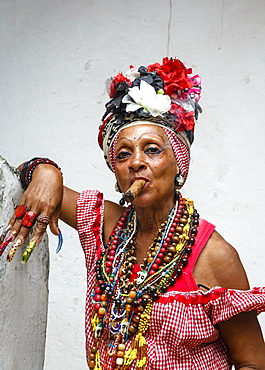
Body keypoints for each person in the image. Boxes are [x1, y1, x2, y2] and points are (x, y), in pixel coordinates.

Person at [1, 57, 265, 370]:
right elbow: (19, 177)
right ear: (117, 175)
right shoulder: (103, 226)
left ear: (179, 165)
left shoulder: (215, 257)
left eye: (152, 150)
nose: (136, 163)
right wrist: (46, 172)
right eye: (124, 154)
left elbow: (253, 362)